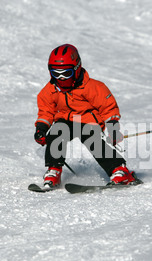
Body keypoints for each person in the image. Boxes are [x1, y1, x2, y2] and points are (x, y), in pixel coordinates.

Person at [34, 44, 139, 188]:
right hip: (65, 121)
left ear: (77, 69)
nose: (61, 78)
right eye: (56, 73)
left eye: (66, 73)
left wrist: (113, 128)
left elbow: (108, 108)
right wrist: (41, 129)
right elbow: (46, 111)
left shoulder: (93, 87)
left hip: (88, 122)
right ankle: (54, 170)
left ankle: (119, 170)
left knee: (91, 138)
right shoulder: (50, 90)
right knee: (56, 132)